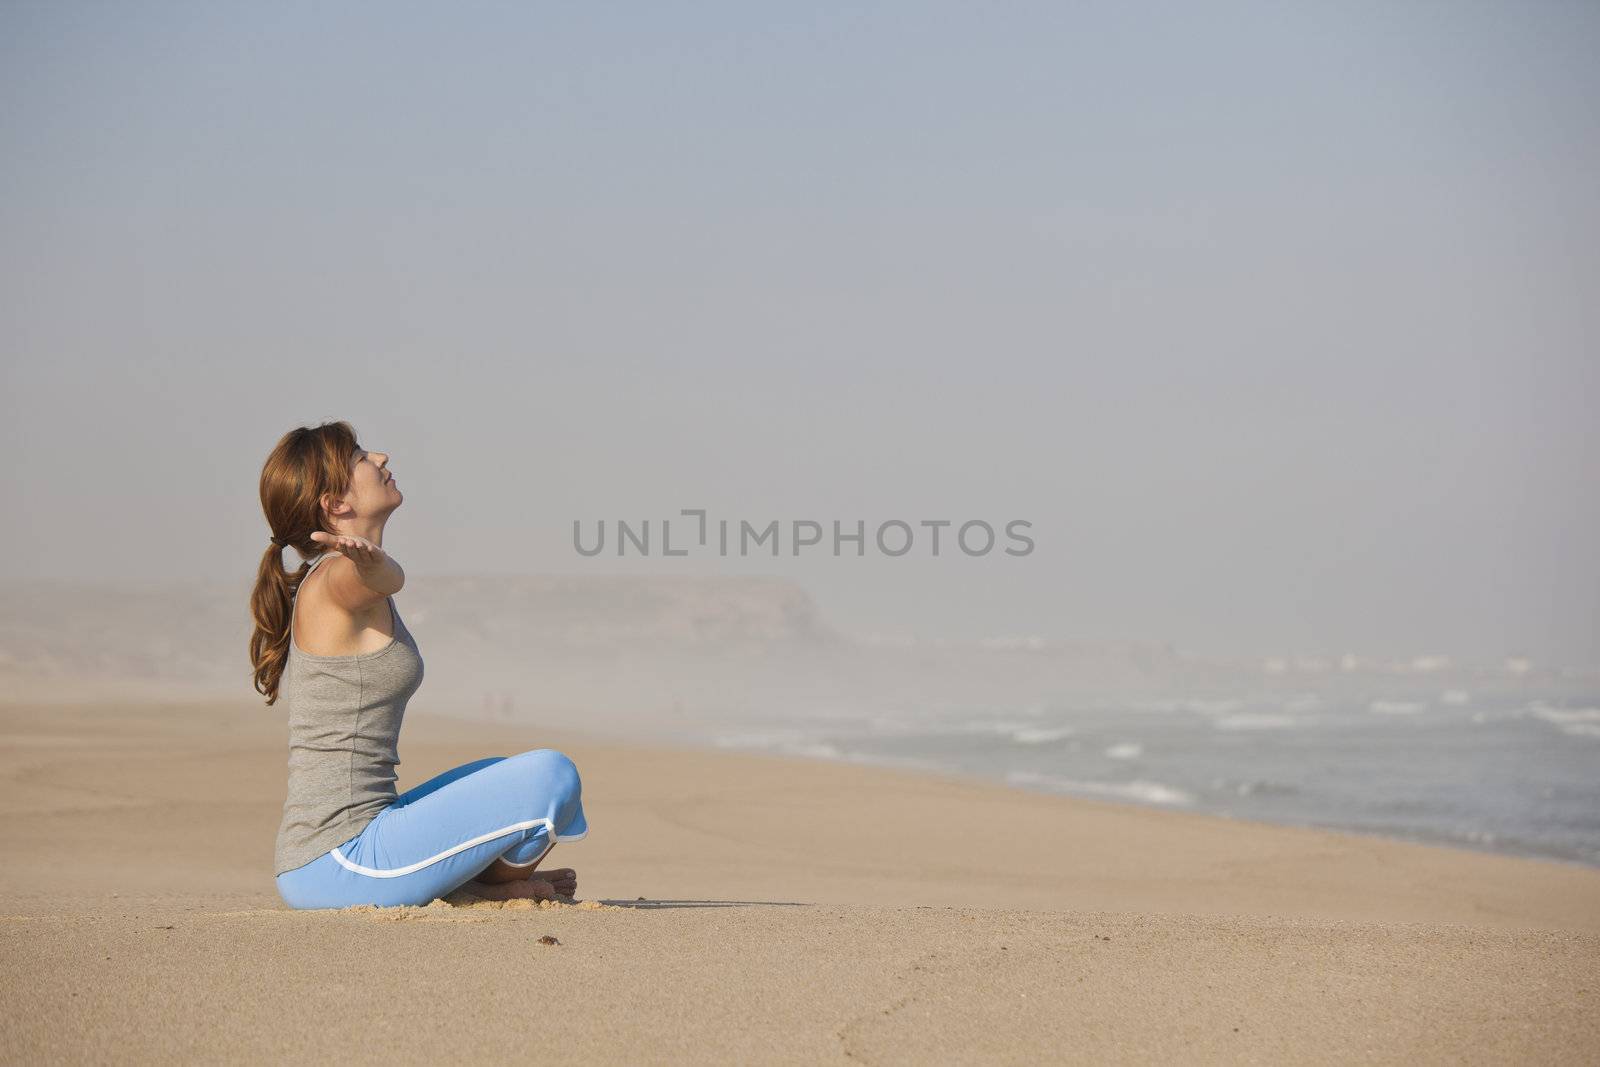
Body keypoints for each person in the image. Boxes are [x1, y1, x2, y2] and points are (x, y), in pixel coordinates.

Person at [248, 420, 588, 909]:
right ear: (335, 504)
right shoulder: (337, 579)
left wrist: (373, 563)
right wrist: (370, 562)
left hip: (358, 840)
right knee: (552, 776)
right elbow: (382, 579)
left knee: (503, 772)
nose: (382, 457)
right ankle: (484, 891)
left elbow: (381, 577)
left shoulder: (344, 575)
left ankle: (475, 888)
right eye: (363, 457)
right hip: (336, 862)